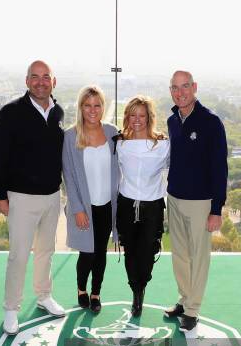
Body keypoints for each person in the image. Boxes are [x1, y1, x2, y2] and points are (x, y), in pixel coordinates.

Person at [0, 60, 65, 335]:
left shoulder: (58, 112)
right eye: (35, 77)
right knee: (19, 255)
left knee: (46, 251)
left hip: (52, 196)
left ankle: (44, 296)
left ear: (53, 82)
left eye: (46, 77)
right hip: (20, 197)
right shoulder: (10, 113)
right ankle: (11, 308)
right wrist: (1, 195)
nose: (41, 82)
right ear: (27, 81)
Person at [165, 70, 228, 331]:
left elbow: (219, 168)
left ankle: (192, 310)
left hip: (201, 202)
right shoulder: (172, 120)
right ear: (171, 91)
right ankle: (184, 299)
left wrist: (216, 209)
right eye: (175, 88)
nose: (180, 93)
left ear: (195, 87)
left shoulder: (211, 122)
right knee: (180, 255)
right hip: (175, 198)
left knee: (198, 256)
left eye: (185, 87)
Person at [62, 86, 118, 313]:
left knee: (101, 253)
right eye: (88, 105)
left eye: (97, 105)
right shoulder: (70, 136)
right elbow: (68, 175)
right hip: (84, 207)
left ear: (103, 107)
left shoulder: (113, 132)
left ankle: (96, 293)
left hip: (106, 205)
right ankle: (81, 289)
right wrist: (77, 208)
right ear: (81, 108)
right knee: (87, 253)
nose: (93, 110)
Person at [116, 96, 169, 317]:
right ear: (127, 117)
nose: (137, 119)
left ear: (149, 118)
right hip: (127, 204)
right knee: (130, 252)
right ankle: (136, 292)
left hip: (152, 206)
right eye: (133, 115)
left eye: (142, 115)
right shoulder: (119, 143)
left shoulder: (163, 144)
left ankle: (142, 285)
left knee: (147, 252)